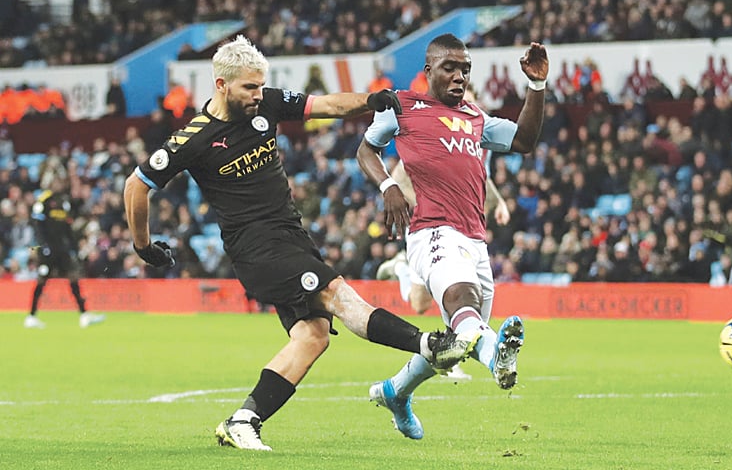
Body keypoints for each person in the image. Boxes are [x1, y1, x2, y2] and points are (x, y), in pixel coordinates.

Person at [122, 35, 477, 452]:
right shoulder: (194, 139)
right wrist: (143, 246)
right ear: (221, 85)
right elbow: (137, 184)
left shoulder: (267, 104)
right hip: (257, 248)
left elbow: (324, 106)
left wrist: (371, 99)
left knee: (312, 335)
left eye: (260, 86)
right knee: (337, 295)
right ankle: (432, 345)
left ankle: (243, 420)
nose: (259, 95)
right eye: (249, 88)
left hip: (291, 236)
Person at [356, 33, 548, 439]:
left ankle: (396, 392)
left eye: (465, 69)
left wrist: (536, 86)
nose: (459, 76)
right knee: (464, 305)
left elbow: (526, 141)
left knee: (457, 338)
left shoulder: (476, 118)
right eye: (450, 68)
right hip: (431, 231)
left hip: (475, 239)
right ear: (429, 71)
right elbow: (366, 150)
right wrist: (388, 187)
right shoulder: (402, 107)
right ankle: (496, 353)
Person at [24, 178, 105, 329]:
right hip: (48, 248)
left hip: (62, 249)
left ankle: (84, 315)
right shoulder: (44, 200)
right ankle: (31, 316)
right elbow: (37, 224)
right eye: (56, 181)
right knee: (42, 279)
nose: (58, 184)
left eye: (60, 181)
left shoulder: (64, 202)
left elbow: (68, 229)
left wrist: (73, 247)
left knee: (73, 278)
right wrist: (43, 246)